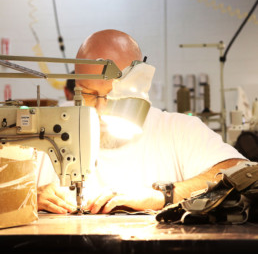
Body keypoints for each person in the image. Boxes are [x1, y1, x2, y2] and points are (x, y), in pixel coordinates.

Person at [37, 29, 246, 214]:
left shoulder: (177, 130)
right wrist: (29, 197)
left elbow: (242, 173)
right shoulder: (49, 132)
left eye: (112, 95)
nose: (100, 109)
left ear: (139, 86)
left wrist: (163, 196)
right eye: (89, 94)